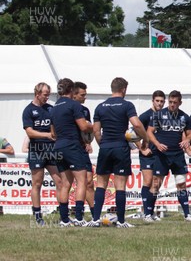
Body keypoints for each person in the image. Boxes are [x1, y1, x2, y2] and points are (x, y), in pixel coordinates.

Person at [89, 77, 147, 228]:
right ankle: (121, 221)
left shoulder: (100, 106)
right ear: (123, 89)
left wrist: (102, 144)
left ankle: (95, 219)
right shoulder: (127, 105)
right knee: (120, 185)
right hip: (120, 147)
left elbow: (96, 130)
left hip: (105, 147)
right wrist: (145, 138)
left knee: (101, 184)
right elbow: (136, 123)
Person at [50, 78, 93, 227]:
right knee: (81, 181)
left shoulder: (54, 107)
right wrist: (93, 127)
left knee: (65, 184)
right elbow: (83, 126)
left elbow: (53, 133)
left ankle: (64, 220)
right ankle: (79, 218)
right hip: (72, 146)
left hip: (58, 146)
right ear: (72, 90)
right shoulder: (74, 105)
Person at [146, 90, 191, 222]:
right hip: (162, 155)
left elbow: (190, 133)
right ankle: (148, 214)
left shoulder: (184, 117)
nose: (172, 104)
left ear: (180, 103)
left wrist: (187, 140)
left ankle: (187, 215)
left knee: (181, 184)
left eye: (175, 102)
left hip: (177, 155)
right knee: (156, 184)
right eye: (170, 102)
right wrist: (157, 143)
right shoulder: (159, 115)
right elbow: (149, 132)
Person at [22, 82, 62, 226]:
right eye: (45, 95)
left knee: (59, 181)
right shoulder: (28, 110)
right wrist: (47, 135)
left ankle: (63, 213)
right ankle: (38, 215)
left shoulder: (51, 108)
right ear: (37, 94)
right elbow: (30, 132)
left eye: (48, 94)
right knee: (37, 183)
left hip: (52, 150)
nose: (47, 97)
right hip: (36, 151)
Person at [138, 90, 165, 221]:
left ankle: (151, 211)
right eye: (157, 101)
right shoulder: (145, 116)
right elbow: (131, 134)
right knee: (148, 181)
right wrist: (141, 148)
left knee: (157, 184)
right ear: (152, 101)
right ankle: (146, 213)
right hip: (147, 154)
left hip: (160, 154)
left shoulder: (166, 116)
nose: (159, 103)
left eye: (162, 101)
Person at [73, 81, 95, 215]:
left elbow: (87, 131)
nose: (85, 97)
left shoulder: (85, 110)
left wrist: (88, 142)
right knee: (67, 183)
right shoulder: (68, 109)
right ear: (74, 95)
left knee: (89, 182)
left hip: (82, 150)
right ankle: (76, 215)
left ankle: (94, 213)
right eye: (82, 95)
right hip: (70, 150)